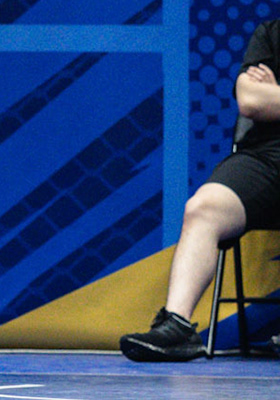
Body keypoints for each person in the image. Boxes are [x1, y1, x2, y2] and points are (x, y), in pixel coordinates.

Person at [120, 20, 280, 361]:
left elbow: (266, 99)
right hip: (266, 157)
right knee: (204, 207)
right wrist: (263, 96)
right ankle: (177, 328)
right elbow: (251, 100)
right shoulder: (272, 33)